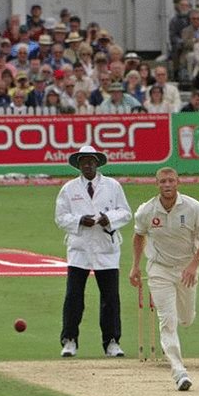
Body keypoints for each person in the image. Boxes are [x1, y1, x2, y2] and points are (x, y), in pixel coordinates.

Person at [129, 167, 199, 392]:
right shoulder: (146, 211)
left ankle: (182, 322)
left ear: (178, 182)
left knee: (186, 319)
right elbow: (138, 236)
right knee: (167, 321)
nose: (167, 185)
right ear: (156, 184)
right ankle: (179, 371)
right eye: (162, 181)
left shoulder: (195, 208)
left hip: (187, 267)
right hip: (159, 269)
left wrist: (193, 265)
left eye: (170, 181)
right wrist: (135, 267)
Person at [54, 145, 132, 359]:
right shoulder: (69, 189)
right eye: (83, 161)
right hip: (79, 247)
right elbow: (60, 217)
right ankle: (69, 340)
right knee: (73, 296)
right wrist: (79, 221)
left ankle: (112, 342)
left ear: (97, 163)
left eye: (91, 161)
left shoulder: (112, 186)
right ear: (78, 165)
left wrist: (110, 219)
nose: (87, 165)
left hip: (106, 247)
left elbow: (125, 213)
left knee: (110, 298)